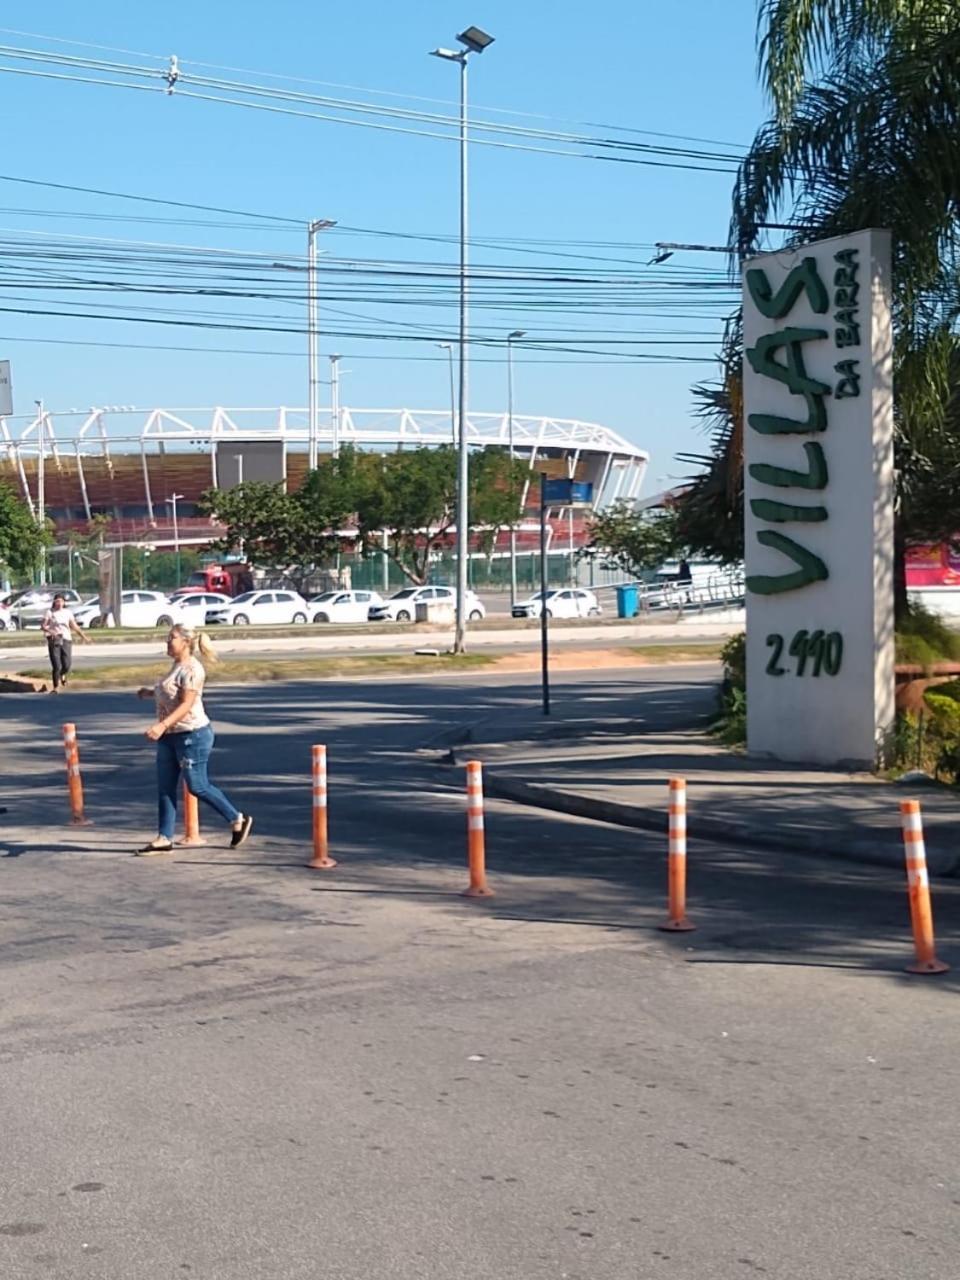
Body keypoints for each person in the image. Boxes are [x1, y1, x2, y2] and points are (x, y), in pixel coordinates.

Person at [135, 623, 253, 855]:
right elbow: (170, 693)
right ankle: (163, 838)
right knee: (165, 787)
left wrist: (162, 725)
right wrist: (149, 693)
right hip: (169, 737)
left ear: (186, 642)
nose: (168, 642)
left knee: (197, 785)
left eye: (172, 638)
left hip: (193, 735)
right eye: (168, 638)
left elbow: (186, 704)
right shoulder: (176, 666)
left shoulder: (192, 669)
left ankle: (237, 818)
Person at [41, 592, 89, 692]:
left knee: (67, 665)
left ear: (64, 603)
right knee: (56, 665)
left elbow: (74, 626)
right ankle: (56, 687)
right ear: (54, 602)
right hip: (54, 640)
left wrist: (83, 636)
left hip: (66, 639)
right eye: (57, 601)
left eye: (61, 601)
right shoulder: (50, 612)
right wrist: (51, 632)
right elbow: (43, 626)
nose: (59, 603)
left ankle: (63, 674)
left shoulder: (67, 612)